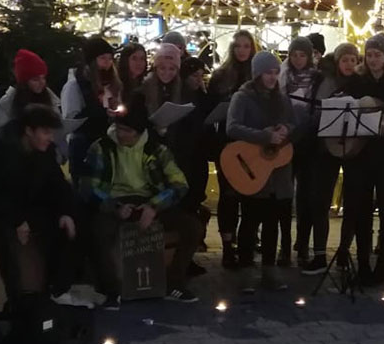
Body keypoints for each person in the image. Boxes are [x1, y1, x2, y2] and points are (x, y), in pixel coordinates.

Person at [86, 98, 202, 303]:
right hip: (116, 200)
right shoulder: (101, 148)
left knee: (192, 227)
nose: (121, 134)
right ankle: (111, 290)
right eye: (118, 128)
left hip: (148, 199)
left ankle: (174, 283)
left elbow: (179, 184)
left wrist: (154, 206)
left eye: (127, 131)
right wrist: (114, 207)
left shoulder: (156, 150)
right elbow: (89, 186)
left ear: (139, 133)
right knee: (98, 231)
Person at [0, 104, 81, 306]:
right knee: (6, 241)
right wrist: (17, 221)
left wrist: (65, 212)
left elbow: (59, 185)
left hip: (32, 210)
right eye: (45, 132)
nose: (50, 137)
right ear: (28, 131)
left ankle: (57, 290)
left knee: (72, 224)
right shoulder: (3, 152)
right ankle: (16, 300)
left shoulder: (45, 152)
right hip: (1, 214)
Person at [226, 51, 297, 293]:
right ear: (257, 73)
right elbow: (233, 127)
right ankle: (246, 269)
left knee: (272, 222)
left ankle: (269, 270)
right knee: (249, 221)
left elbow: (292, 122)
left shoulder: (282, 98)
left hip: (277, 171)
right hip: (253, 168)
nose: (273, 77)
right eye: (268, 72)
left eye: (276, 72)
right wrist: (264, 135)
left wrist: (286, 129)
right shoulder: (243, 97)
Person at [143, 42, 211, 278]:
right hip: (150, 163)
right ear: (155, 66)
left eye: (172, 69)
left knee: (187, 211)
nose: (167, 73)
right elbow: (135, 126)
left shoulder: (184, 91)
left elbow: (194, 126)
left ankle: (181, 264)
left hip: (180, 160)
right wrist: (156, 130)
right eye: (162, 68)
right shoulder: (144, 90)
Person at [345, 34, 384, 285]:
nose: (373, 60)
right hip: (361, 154)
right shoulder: (356, 82)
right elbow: (347, 112)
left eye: (377, 55)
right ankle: (362, 264)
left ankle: (382, 266)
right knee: (361, 212)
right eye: (369, 55)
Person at [301, 41, 362, 275]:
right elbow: (315, 112)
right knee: (320, 201)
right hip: (326, 148)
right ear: (337, 62)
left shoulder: (360, 83)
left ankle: (344, 252)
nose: (349, 64)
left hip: (353, 148)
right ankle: (319, 254)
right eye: (345, 60)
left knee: (353, 201)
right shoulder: (325, 81)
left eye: (353, 60)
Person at [207, 30, 257, 268]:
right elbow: (209, 107)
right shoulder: (220, 75)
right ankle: (228, 246)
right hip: (226, 141)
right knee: (228, 195)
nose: (242, 50)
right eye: (238, 46)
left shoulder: (258, 75)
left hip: (251, 143)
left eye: (247, 46)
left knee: (250, 194)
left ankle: (246, 244)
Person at [280, 35, 323, 267]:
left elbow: (319, 107)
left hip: (309, 142)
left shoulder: (317, 79)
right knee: (284, 195)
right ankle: (284, 246)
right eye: (294, 54)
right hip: (286, 140)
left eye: (302, 55)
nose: (298, 59)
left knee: (306, 196)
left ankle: (303, 243)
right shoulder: (282, 76)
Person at [62, 37, 123, 179]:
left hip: (107, 144)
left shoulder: (113, 84)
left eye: (110, 59)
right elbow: (71, 121)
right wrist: (99, 112)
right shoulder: (75, 86)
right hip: (84, 148)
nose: (107, 63)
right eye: (102, 58)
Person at [0, 49, 62, 140]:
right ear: (24, 82)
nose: (42, 83)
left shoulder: (48, 95)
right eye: (35, 79)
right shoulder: (8, 102)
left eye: (43, 78)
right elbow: (0, 132)